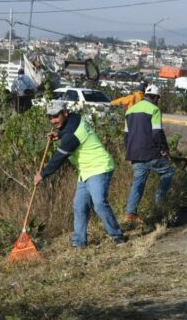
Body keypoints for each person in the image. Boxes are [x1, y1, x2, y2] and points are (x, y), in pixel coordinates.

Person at [34, 101, 126, 248]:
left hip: (99, 167)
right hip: (85, 171)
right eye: (50, 117)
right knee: (79, 205)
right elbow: (69, 128)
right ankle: (79, 242)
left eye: (56, 116)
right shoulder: (75, 118)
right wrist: (59, 134)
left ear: (65, 113)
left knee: (99, 203)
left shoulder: (71, 136)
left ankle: (117, 236)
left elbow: (59, 158)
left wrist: (43, 174)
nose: (52, 120)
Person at [121, 84, 174, 225]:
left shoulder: (130, 111)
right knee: (168, 172)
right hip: (151, 152)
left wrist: (129, 153)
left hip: (135, 154)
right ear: (156, 97)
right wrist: (164, 149)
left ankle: (130, 213)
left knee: (138, 183)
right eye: (158, 98)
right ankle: (159, 203)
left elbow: (126, 136)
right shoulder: (154, 110)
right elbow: (157, 133)